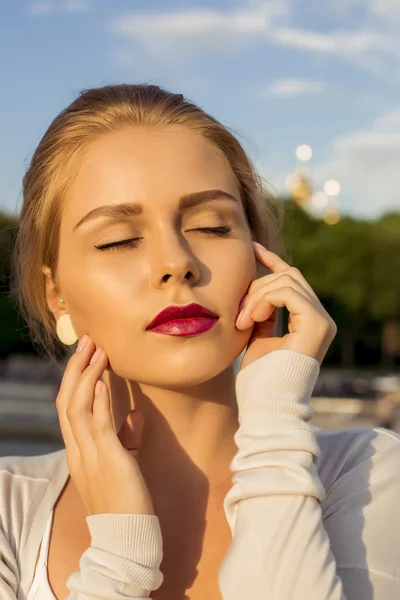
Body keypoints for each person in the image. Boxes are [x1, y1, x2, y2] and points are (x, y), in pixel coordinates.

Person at [1, 84, 400, 600]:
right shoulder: (11, 506)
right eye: (118, 239)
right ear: (56, 293)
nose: (176, 262)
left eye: (212, 226)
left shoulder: (371, 475)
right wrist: (118, 558)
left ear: (258, 257)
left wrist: (275, 416)